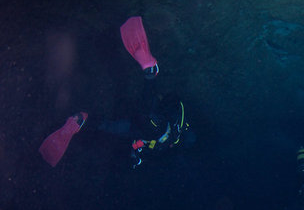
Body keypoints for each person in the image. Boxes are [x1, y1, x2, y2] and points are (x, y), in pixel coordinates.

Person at [39, 16, 193, 169]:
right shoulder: (173, 137)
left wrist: (136, 156)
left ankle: (82, 120)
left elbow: (140, 144)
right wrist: (139, 154)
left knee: (113, 124)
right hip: (148, 125)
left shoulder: (165, 140)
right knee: (137, 115)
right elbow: (169, 114)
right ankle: (150, 73)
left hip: (136, 127)